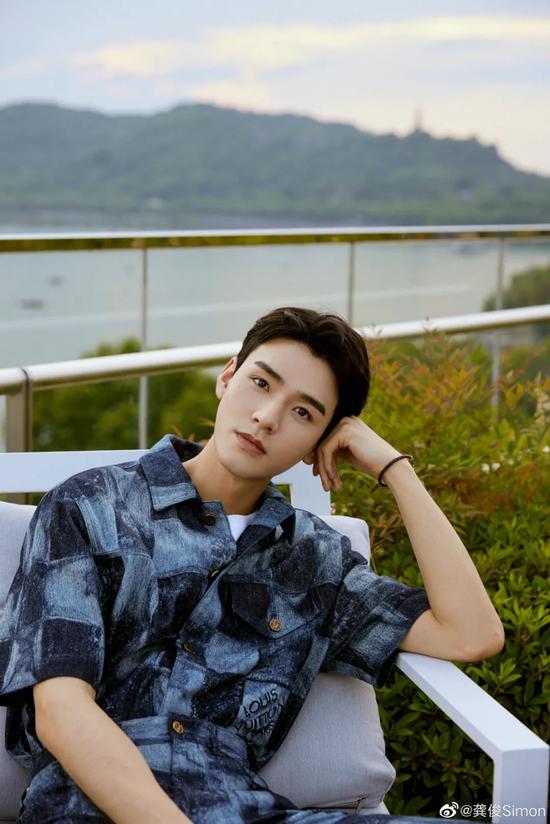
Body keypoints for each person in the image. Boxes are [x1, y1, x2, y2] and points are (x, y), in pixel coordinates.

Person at [0, 306, 503, 824]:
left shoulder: (313, 559)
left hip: (245, 806)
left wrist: (396, 470)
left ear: (318, 442)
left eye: (303, 413)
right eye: (261, 383)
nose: (267, 417)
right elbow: (60, 711)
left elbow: (471, 634)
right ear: (227, 377)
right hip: (85, 806)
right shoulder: (89, 505)